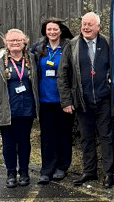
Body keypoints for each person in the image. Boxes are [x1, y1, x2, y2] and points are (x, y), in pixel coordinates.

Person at [58, 12, 114, 188]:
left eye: (90, 24)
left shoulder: (108, 43)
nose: (86, 27)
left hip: (104, 99)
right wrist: (66, 101)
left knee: (106, 137)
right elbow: (63, 74)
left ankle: (109, 174)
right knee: (86, 138)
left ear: (98, 26)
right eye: (84, 24)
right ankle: (89, 171)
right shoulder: (72, 45)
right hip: (82, 100)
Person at [0, 29, 39, 188]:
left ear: (25, 42)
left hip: (26, 109)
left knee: (24, 143)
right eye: (11, 40)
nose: (15, 43)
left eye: (18, 40)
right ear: (6, 43)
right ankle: (10, 173)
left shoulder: (31, 59)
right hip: (7, 110)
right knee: (8, 144)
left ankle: (24, 172)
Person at [31, 18, 74, 184]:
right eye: (49, 29)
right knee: (47, 136)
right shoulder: (38, 47)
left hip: (63, 100)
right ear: (45, 31)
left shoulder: (68, 46)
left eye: (55, 29)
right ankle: (47, 169)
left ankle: (62, 167)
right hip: (45, 100)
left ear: (61, 30)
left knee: (64, 135)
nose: (52, 32)